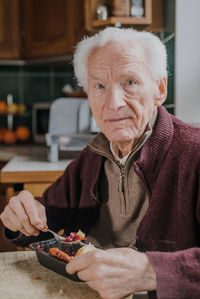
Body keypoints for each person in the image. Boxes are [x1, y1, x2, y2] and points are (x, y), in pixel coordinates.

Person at [1, 27, 200, 299]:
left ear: (160, 89)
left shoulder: (195, 152)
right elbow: (45, 222)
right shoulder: (94, 154)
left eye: (129, 82)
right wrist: (23, 216)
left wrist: (150, 271)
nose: (113, 103)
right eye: (99, 86)